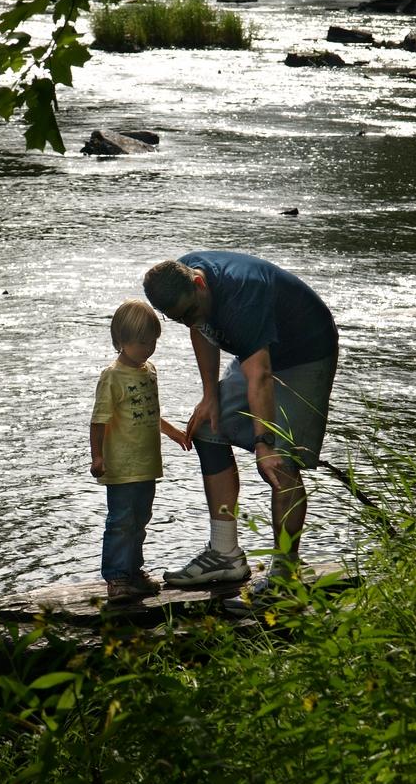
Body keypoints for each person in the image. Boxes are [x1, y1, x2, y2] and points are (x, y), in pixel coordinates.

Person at [143, 251, 338, 593]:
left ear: (199, 283)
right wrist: (209, 396)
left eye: (190, 311)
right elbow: (201, 329)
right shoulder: (186, 280)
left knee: (282, 460)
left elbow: (260, 376)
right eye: (178, 318)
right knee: (207, 427)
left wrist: (264, 444)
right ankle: (224, 553)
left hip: (305, 353)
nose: (188, 320)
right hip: (258, 352)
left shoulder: (240, 296)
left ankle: (286, 572)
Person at [90, 298, 191, 602]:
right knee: (121, 520)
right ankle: (117, 578)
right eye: (141, 343)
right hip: (121, 465)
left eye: (153, 342)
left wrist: (173, 432)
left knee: (140, 519)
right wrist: (97, 456)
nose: (148, 348)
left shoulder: (149, 371)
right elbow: (99, 420)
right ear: (120, 341)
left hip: (147, 463)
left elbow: (149, 412)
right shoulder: (112, 376)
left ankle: (134, 571)